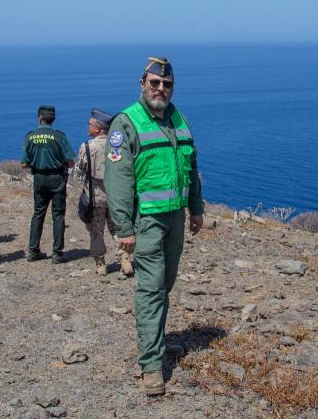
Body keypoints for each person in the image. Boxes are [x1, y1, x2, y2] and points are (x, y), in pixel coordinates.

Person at [104, 57, 204, 396]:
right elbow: (118, 180)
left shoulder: (178, 117)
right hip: (146, 222)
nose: (161, 89)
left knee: (166, 285)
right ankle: (151, 366)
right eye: (154, 83)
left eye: (167, 84)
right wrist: (124, 228)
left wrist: (196, 208)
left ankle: (157, 342)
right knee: (150, 289)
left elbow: (191, 165)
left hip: (175, 217)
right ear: (142, 83)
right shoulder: (126, 122)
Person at [77, 108, 133, 277]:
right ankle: (125, 258)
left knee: (96, 231)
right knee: (117, 229)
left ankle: (100, 263)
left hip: (95, 197)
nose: (88, 127)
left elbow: (80, 170)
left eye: (90, 124)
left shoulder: (88, 147)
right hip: (116, 198)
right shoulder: (117, 147)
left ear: (98, 128)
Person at [21, 105, 75, 263]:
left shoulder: (30, 137)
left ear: (39, 118)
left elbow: (24, 164)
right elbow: (70, 162)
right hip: (56, 178)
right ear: (53, 119)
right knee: (58, 215)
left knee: (38, 213)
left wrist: (37, 164)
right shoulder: (59, 137)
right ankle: (57, 253)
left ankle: (33, 251)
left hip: (39, 178)